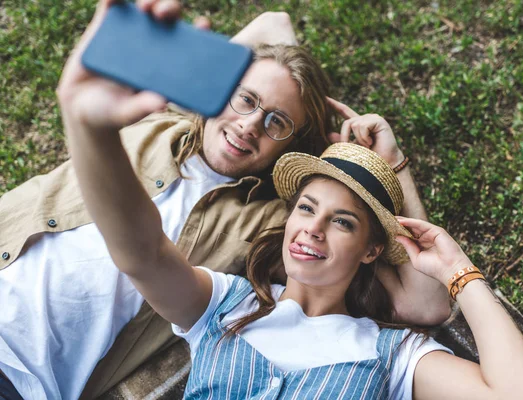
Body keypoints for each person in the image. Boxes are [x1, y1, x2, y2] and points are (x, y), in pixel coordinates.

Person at [0, 0, 450, 399]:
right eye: (245, 100)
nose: (250, 124)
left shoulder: (271, 223)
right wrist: (264, 81)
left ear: (292, 148)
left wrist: (393, 164)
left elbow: (424, 303)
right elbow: (276, 23)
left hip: (22, 375)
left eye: (276, 122)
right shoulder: (160, 121)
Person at [66, 102, 523, 400]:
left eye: (342, 222)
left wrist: (458, 272)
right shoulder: (225, 304)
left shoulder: (393, 353)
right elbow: (141, 252)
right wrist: (89, 126)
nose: (313, 229)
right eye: (306, 208)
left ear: (370, 251)